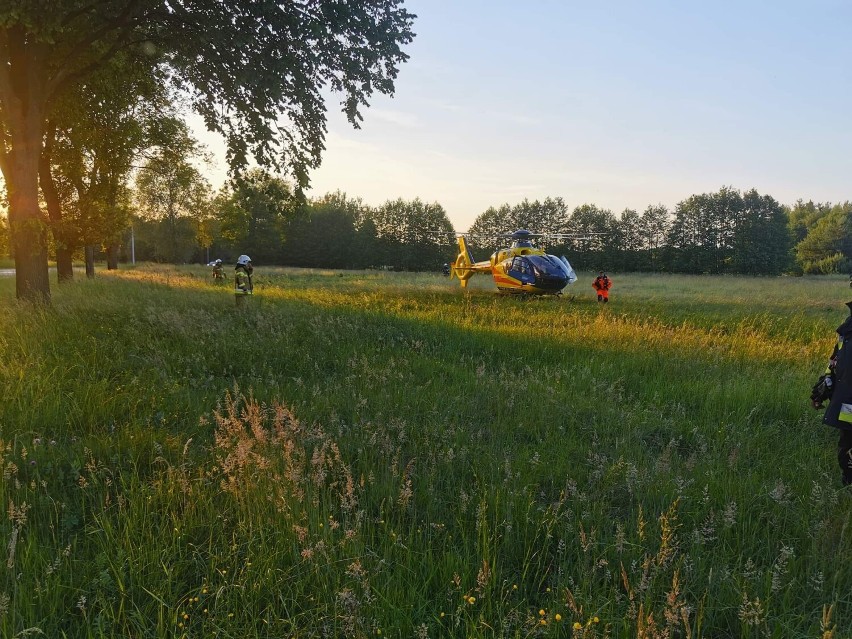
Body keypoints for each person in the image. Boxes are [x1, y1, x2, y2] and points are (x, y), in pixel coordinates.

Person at [811, 301, 852, 486]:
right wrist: (820, 392)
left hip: (848, 402)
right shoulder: (846, 333)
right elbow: (835, 365)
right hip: (848, 403)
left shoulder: (847, 332)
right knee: (847, 447)